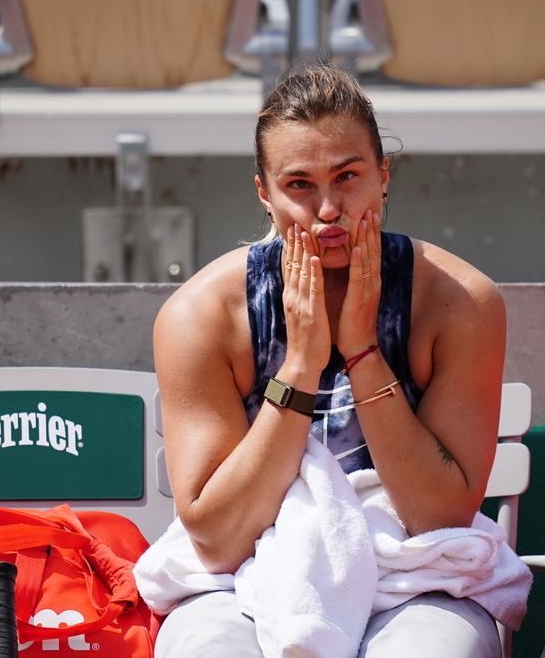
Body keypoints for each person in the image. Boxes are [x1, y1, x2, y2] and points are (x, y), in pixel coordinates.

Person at [150, 65, 509, 658]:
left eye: (347, 177)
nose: (327, 210)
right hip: (241, 578)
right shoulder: (201, 316)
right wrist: (300, 365)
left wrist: (364, 352)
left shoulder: (458, 301)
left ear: (383, 175)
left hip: (415, 576)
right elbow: (217, 541)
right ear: (264, 192)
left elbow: (437, 517)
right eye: (299, 185)